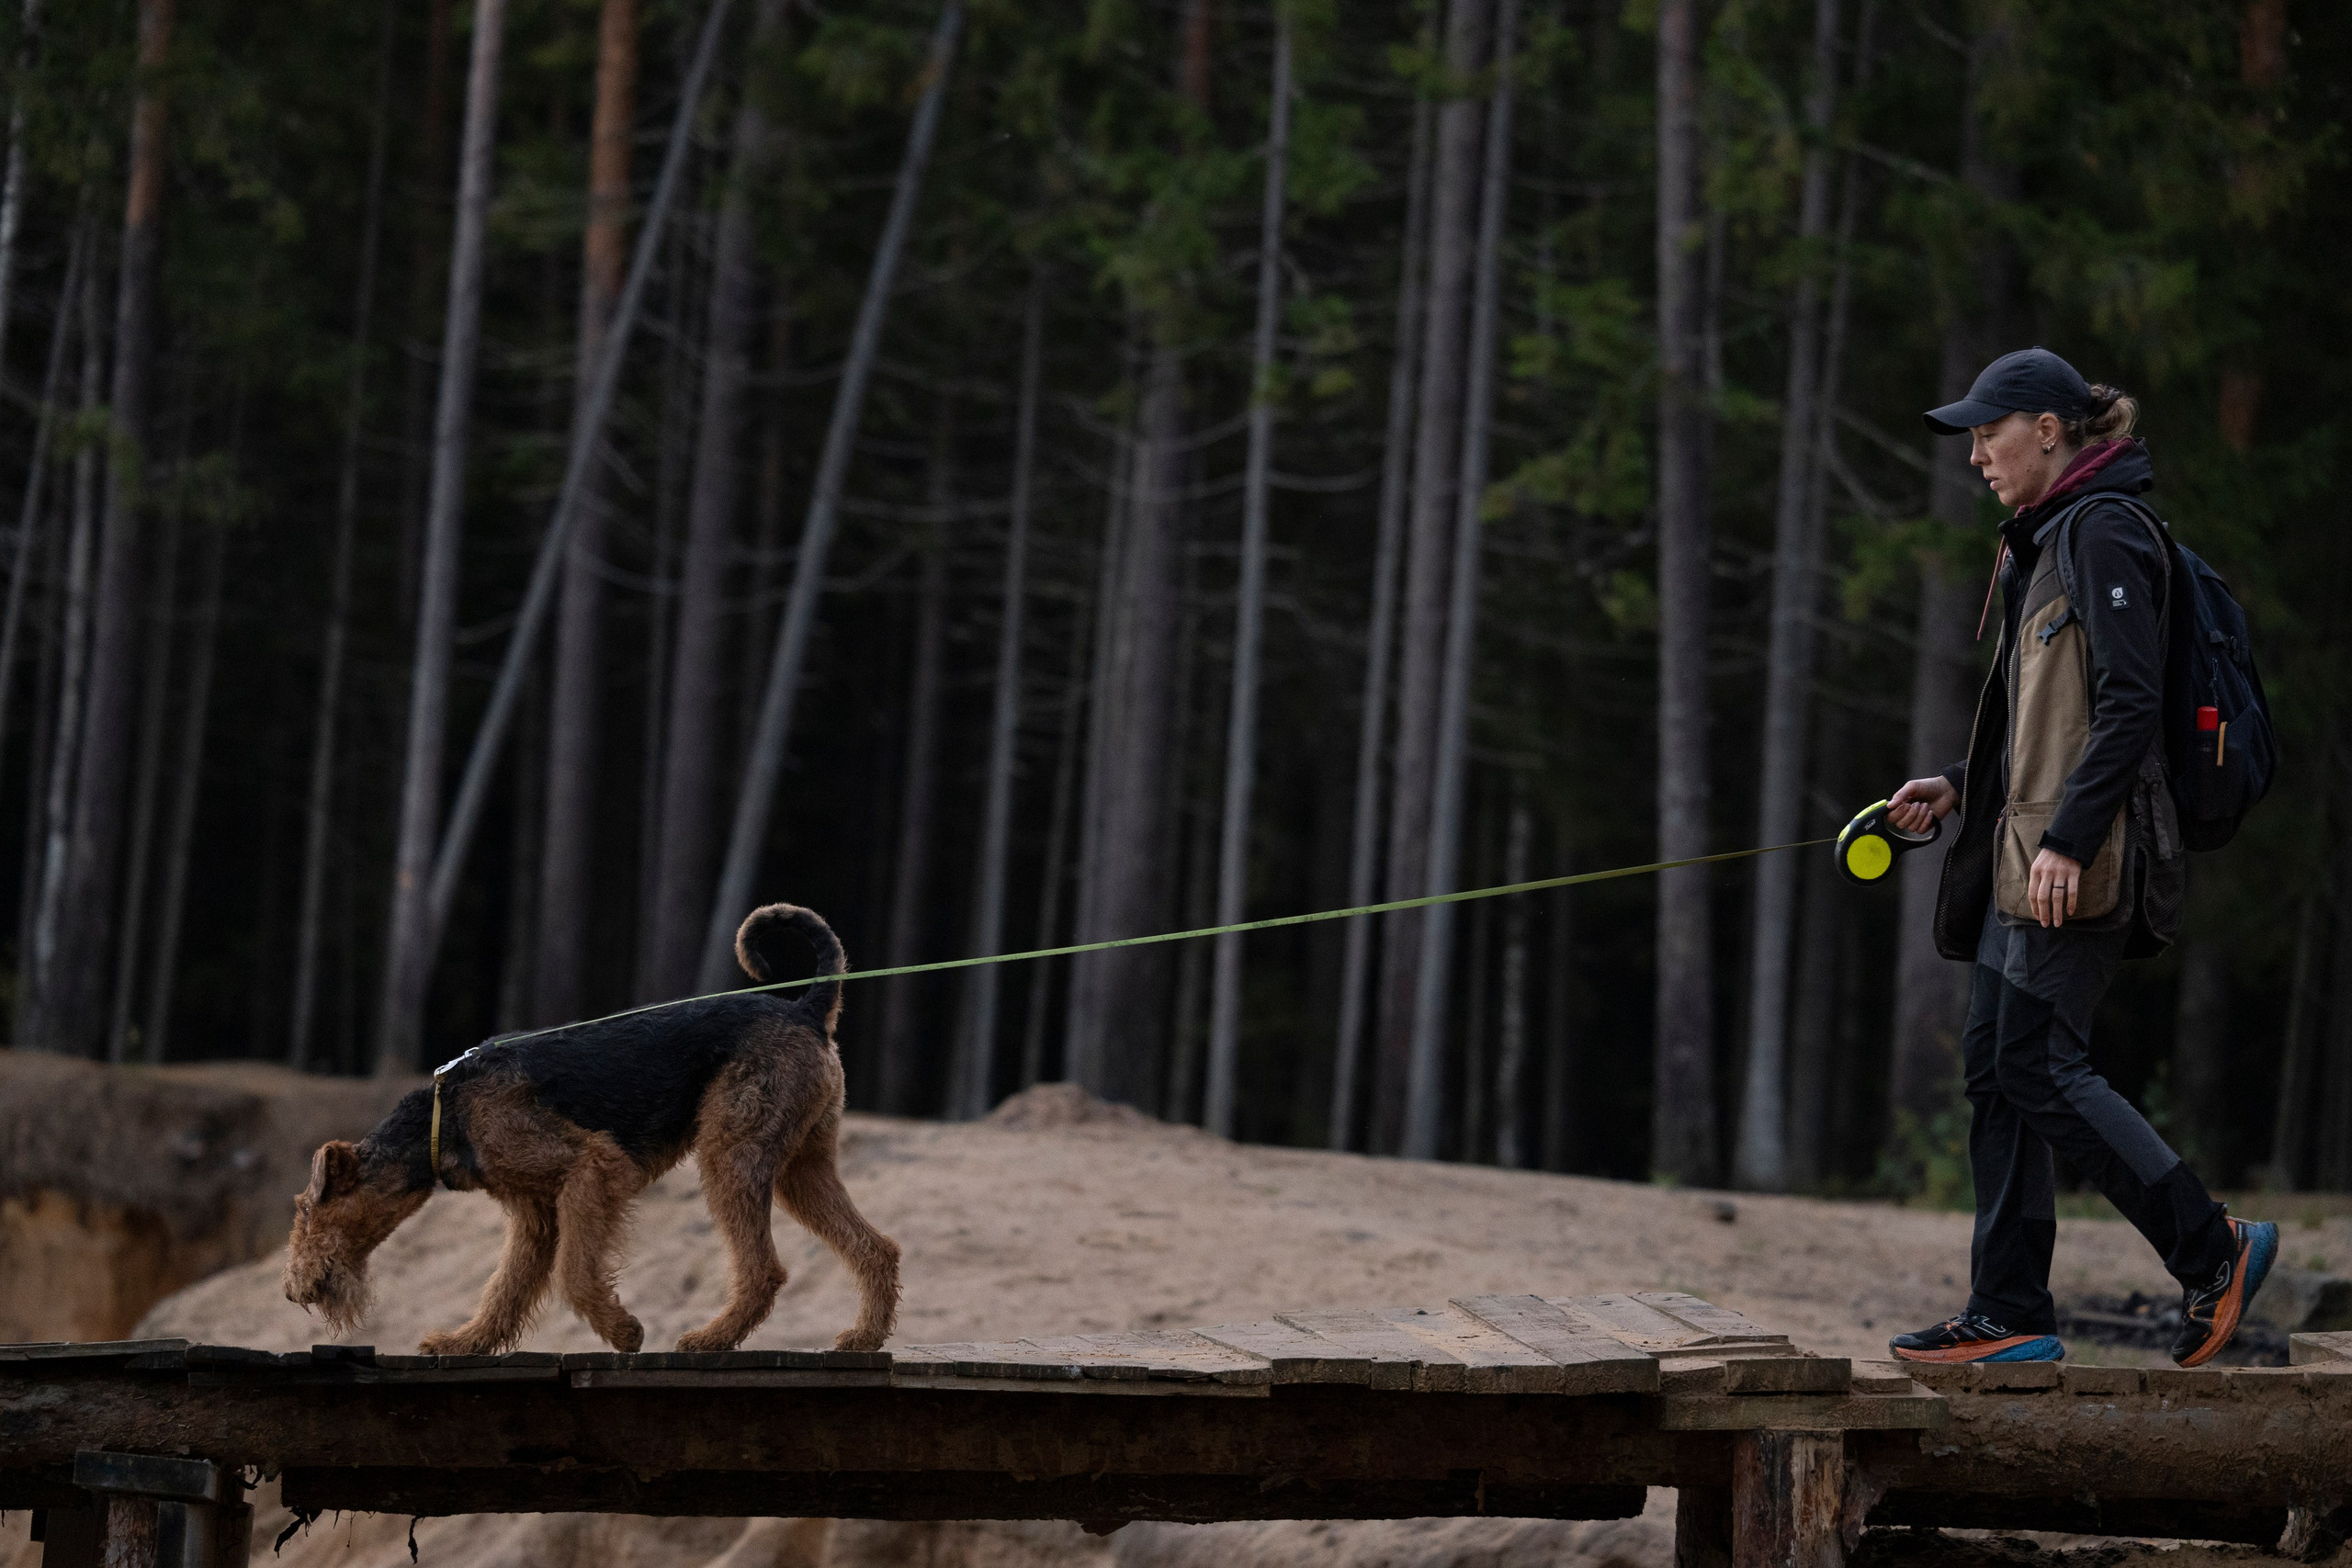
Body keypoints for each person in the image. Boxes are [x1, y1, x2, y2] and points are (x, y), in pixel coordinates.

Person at [1881, 346, 2276, 1368]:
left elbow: (2130, 706)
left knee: (2034, 1062)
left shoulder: (2102, 529)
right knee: (1994, 1069)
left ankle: (2213, 1246)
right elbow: (2042, 721)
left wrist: (2064, 837)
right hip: (2034, 850)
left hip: (2085, 858)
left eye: (1988, 432)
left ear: (2047, 430)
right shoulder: (2049, 535)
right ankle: (2008, 1309)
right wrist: (1959, 787)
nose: (1975, 455)